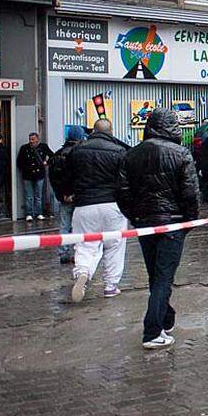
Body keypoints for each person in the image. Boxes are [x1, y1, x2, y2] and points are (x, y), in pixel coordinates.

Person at [116, 109, 199, 350]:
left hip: (145, 223)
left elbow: (122, 191)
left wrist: (135, 216)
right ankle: (152, 331)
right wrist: (189, 221)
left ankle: (165, 317)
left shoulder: (132, 154)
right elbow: (191, 192)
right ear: (174, 127)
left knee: (157, 275)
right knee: (163, 277)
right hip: (173, 222)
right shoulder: (181, 153)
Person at [68, 119, 130, 302]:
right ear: (111, 131)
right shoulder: (119, 151)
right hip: (112, 204)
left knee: (85, 244)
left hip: (84, 205)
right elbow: (125, 181)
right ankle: (111, 286)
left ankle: (83, 272)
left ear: (93, 131)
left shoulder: (77, 150)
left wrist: (69, 193)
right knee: (115, 245)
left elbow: (67, 175)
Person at [49, 125, 87, 263]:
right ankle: (80, 252)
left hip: (64, 197)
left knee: (65, 225)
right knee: (81, 226)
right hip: (79, 197)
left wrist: (62, 194)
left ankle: (63, 252)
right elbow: (82, 176)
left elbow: (53, 177)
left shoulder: (58, 154)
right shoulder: (81, 154)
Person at [16, 132, 52, 221]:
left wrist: (46, 162)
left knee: (38, 195)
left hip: (39, 175)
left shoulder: (43, 147)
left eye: (33, 139)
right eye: (30, 139)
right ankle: (29, 214)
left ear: (37, 139)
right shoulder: (24, 148)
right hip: (27, 175)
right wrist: (25, 168)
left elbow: (52, 156)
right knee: (29, 196)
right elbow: (19, 162)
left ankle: (38, 213)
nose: (31, 141)